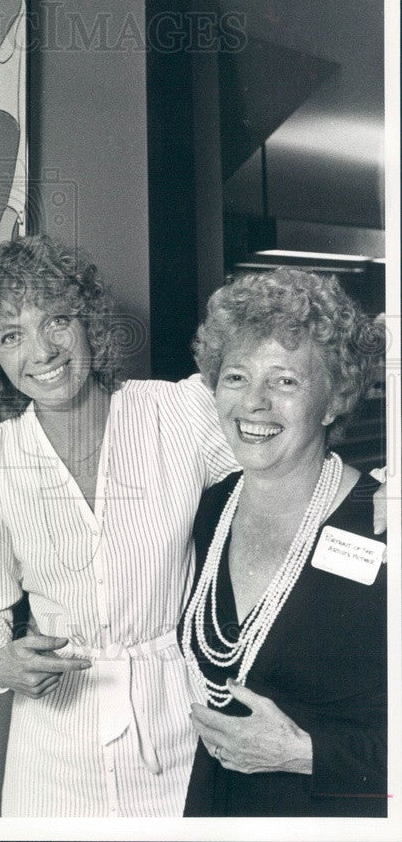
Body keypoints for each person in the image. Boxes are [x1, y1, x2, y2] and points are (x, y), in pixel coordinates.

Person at [0, 235, 243, 817]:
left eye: (57, 320)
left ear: (89, 323)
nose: (41, 352)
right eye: (11, 335)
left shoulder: (176, 412)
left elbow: (283, 447)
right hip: (53, 745)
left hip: (177, 729)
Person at [179, 267, 386, 817]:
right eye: (237, 377)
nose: (255, 403)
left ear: (336, 396)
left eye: (285, 381)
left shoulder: (382, 526)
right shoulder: (208, 509)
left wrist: (304, 754)